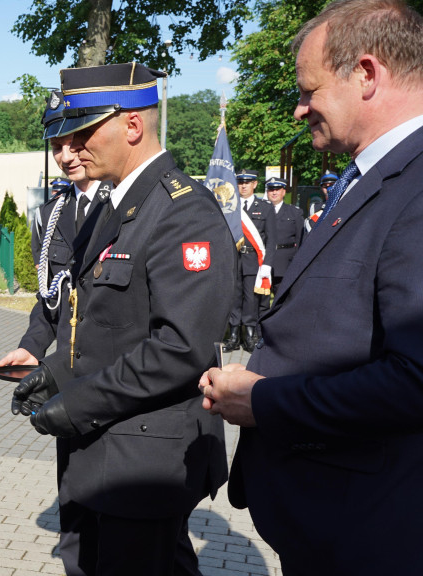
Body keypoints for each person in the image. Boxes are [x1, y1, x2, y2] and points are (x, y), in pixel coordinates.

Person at [200, 1, 423, 573]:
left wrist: (263, 400)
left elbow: (414, 379)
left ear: (367, 75)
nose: (299, 110)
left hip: (374, 532)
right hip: (332, 521)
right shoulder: (374, 177)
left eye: (309, 91)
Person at [11, 63, 234, 576]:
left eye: (82, 132)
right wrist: (56, 376)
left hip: (144, 462)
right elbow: (101, 325)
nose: (69, 148)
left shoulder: (182, 210)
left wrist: (78, 402)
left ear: (132, 126)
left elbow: (180, 348)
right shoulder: (117, 205)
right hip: (103, 450)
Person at [0, 89, 111, 367]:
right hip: (66, 369)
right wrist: (31, 348)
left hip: (115, 374)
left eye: (75, 144)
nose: (66, 157)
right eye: (57, 147)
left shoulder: (123, 204)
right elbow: (50, 299)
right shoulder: (50, 214)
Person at [223, 169, 274, 352]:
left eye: (247, 182)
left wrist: (267, 264)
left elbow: (271, 239)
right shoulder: (229, 207)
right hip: (234, 260)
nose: (243, 186)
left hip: (254, 259)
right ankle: (234, 335)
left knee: (251, 299)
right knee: (234, 298)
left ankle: (250, 335)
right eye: (240, 182)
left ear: (254, 184)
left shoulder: (265, 208)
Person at [263, 177, 303, 295]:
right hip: (263, 261)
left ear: (284, 192)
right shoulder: (260, 210)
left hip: (285, 261)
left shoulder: (294, 212)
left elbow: (300, 239)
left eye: (277, 189)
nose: (274, 192)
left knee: (281, 298)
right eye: (271, 189)